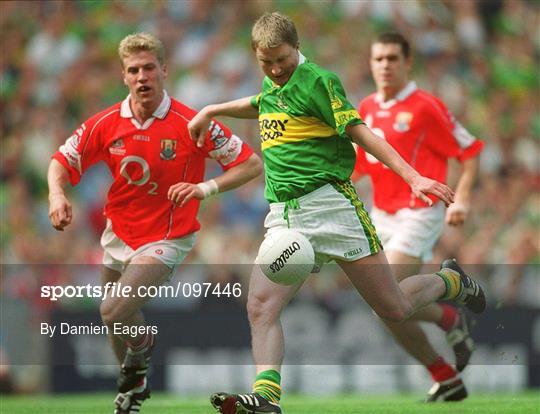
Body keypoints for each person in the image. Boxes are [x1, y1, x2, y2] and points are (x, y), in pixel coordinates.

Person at [188, 13, 486, 414]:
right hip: (286, 218)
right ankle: (267, 398)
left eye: (282, 60)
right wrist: (213, 109)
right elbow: (260, 104)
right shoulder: (272, 83)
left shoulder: (318, 80)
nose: (276, 70)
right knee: (260, 305)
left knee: (394, 308)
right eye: (267, 63)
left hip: (333, 208)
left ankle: (451, 281)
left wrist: (414, 177)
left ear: (297, 47)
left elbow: (361, 131)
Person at [47, 32, 262, 414]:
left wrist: (204, 187)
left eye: (149, 68)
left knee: (113, 310)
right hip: (119, 231)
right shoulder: (107, 123)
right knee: (116, 320)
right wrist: (57, 195)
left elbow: (250, 164)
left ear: (164, 70)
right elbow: (61, 161)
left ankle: (143, 347)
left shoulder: (191, 122)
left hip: (167, 235)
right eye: (134, 70)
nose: (142, 76)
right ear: (124, 76)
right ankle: (132, 387)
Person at [353, 32, 484, 402]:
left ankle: (450, 282)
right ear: (370, 64)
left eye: (392, 58)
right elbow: (360, 166)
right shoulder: (365, 107)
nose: (385, 66)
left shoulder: (426, 106)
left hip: (420, 211)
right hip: (382, 214)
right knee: (387, 308)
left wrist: (463, 200)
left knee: (388, 299)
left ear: (407, 62)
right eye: (378, 59)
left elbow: (470, 151)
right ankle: (447, 359)